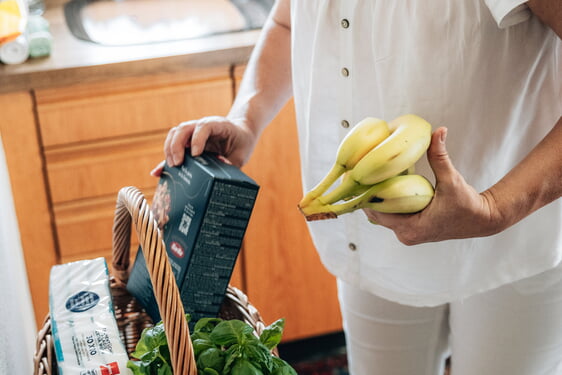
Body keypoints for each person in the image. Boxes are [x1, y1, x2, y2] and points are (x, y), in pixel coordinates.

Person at [152, 1, 562, 374]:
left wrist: (496, 208)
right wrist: (247, 118)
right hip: (371, 241)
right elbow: (289, 20)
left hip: (513, 251)